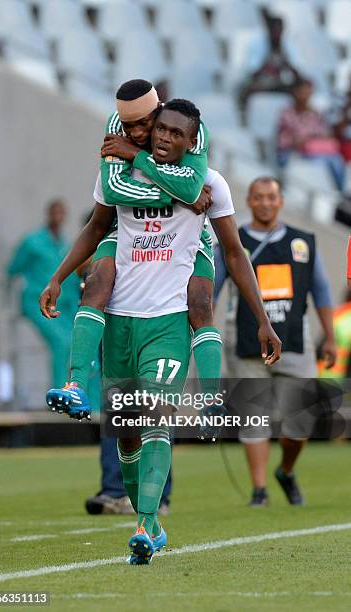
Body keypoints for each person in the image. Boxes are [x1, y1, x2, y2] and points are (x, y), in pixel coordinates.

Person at [40, 100, 281, 564]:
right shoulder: (119, 175)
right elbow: (95, 227)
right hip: (121, 324)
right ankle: (145, 514)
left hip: (168, 323)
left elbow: (234, 253)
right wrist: (58, 275)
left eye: (177, 133)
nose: (165, 138)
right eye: (160, 130)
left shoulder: (209, 184)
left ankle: (147, 523)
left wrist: (263, 319)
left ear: (194, 142)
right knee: (127, 434)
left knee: (154, 420)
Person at [214, 176, 336, 507]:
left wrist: (330, 338)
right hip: (245, 341)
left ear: (281, 201)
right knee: (253, 418)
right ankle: (259, 490)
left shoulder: (303, 242)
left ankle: (285, 470)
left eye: (271, 197)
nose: (265, 202)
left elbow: (321, 291)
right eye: (258, 197)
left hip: (295, 341)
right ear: (249, 201)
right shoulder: (232, 240)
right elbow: (212, 287)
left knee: (301, 422)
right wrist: (203, 328)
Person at [6, 200, 80, 389]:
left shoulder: (64, 246)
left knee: (76, 343)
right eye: (54, 212)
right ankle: (60, 394)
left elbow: (70, 282)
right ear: (48, 214)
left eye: (61, 212)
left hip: (59, 306)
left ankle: (74, 393)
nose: (58, 216)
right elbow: (13, 269)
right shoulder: (33, 242)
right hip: (36, 302)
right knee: (61, 342)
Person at [277, 78, 346, 191]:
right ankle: (282, 183)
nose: (306, 95)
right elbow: (284, 139)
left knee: (336, 160)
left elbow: (324, 132)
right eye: (303, 91)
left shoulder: (314, 113)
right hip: (294, 152)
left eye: (309, 92)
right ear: (295, 92)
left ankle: (340, 194)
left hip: (313, 150)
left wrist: (318, 137)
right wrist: (300, 140)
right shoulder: (287, 113)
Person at [240, 15, 301, 112]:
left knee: (301, 89)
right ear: (269, 30)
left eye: (279, 30)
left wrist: (286, 63)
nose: (277, 33)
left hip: (281, 83)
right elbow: (252, 73)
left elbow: (297, 72)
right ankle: (245, 116)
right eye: (274, 30)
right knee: (247, 89)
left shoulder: (287, 45)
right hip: (262, 83)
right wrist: (267, 65)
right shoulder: (257, 45)